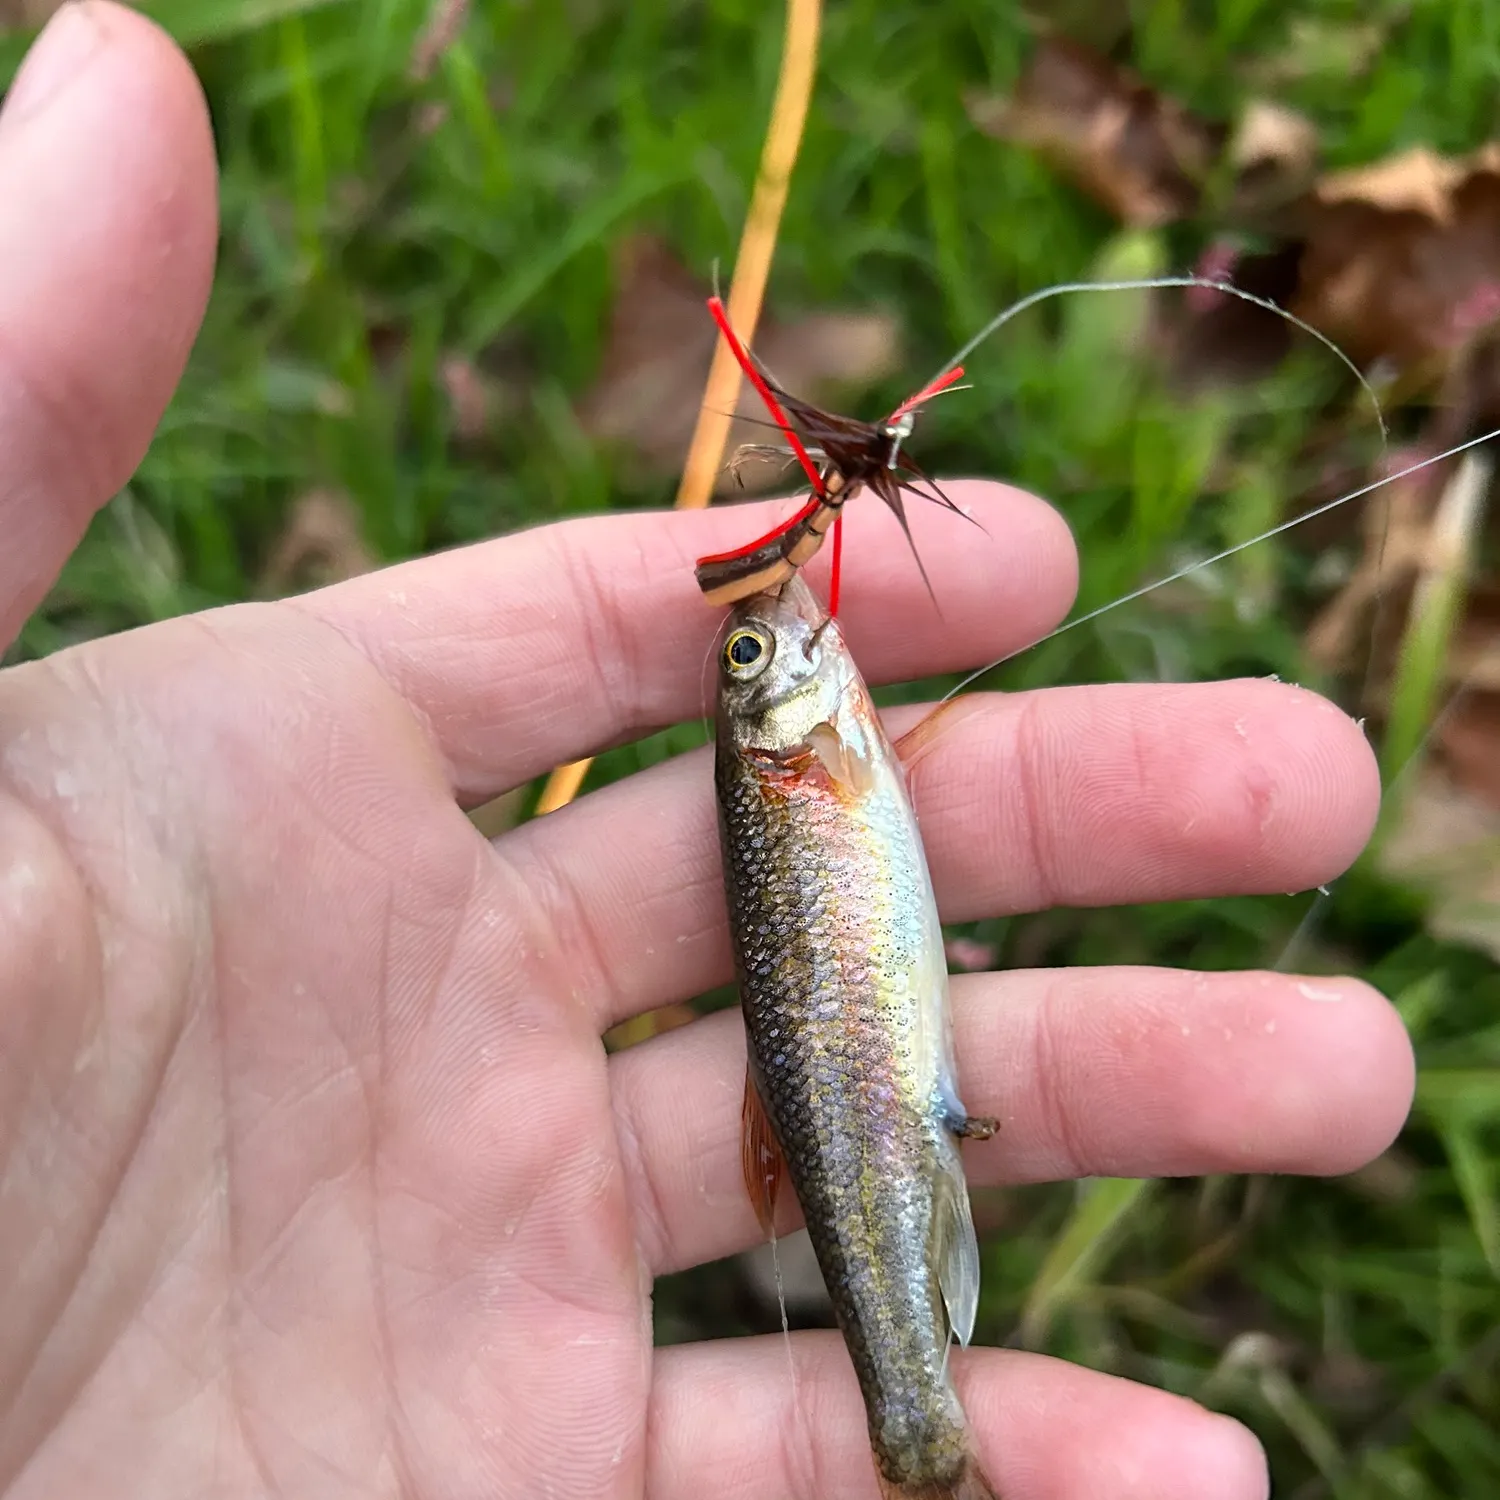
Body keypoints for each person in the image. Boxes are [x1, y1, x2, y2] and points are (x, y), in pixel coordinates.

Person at [0, 7, 1415, 1498]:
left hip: (854, 1069)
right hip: (873, 1072)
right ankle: (918, 1424)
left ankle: (914, 1415)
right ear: (773, 711)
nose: (777, 639)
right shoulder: (815, 756)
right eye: (756, 656)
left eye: (755, 655)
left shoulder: (810, 756)